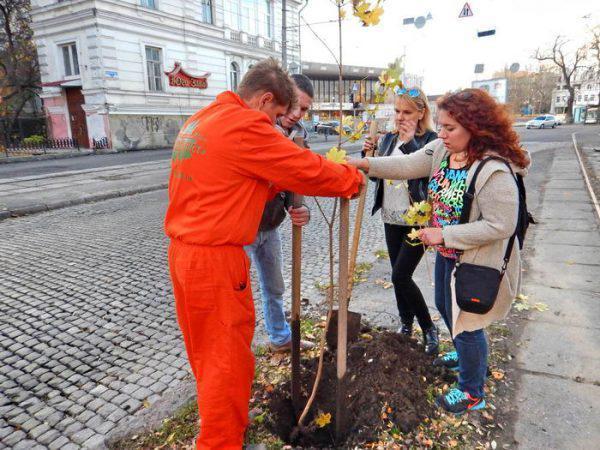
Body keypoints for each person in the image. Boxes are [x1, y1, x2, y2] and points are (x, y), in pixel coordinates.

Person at [165, 58, 364, 449]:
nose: (276, 124)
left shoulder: (205, 118)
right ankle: (220, 442)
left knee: (206, 353)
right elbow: (304, 168)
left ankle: (226, 421)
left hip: (185, 252)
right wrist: (350, 179)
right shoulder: (245, 125)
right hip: (215, 261)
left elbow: (231, 179)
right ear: (265, 100)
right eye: (276, 114)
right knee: (227, 358)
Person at [348, 88, 529, 415]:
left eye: (450, 128)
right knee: (447, 308)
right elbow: (405, 165)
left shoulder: (494, 169)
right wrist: (362, 163)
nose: (441, 133)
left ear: (474, 128)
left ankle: (473, 392)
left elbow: (501, 226)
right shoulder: (443, 151)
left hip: (476, 262)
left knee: (469, 323)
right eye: (442, 126)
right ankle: (465, 356)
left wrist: (444, 234)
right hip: (449, 256)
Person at [362, 87, 439, 355]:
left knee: (400, 275)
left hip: (417, 220)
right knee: (398, 277)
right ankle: (406, 324)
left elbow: (425, 176)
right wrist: (367, 158)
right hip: (391, 216)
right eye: (397, 111)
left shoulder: (433, 140)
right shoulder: (387, 139)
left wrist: (408, 144)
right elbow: (376, 177)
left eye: (407, 112)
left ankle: (429, 327)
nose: (400, 117)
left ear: (421, 113)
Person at [244, 73, 315, 353]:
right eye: (293, 105)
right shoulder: (255, 128)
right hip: (243, 228)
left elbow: (296, 182)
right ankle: (241, 352)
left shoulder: (300, 136)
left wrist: (301, 207)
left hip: (270, 226)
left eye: (305, 109)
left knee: (275, 287)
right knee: (239, 294)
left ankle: (280, 338)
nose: (296, 114)